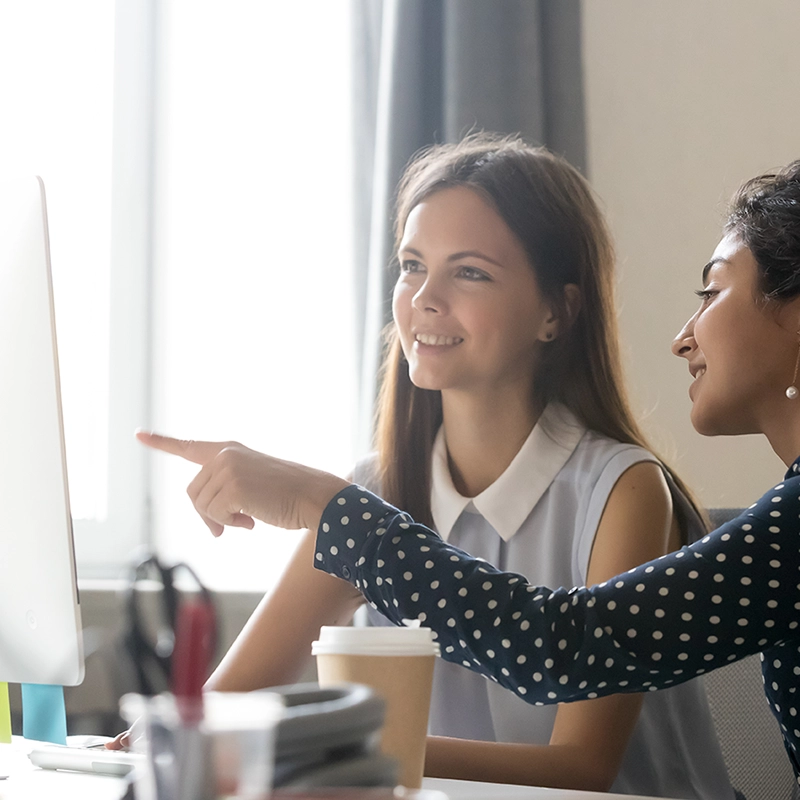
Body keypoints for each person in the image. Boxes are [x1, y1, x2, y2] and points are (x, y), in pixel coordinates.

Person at [129, 158, 800, 783]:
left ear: (555, 311)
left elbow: (564, 658)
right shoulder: (378, 490)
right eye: (410, 265)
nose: (423, 297)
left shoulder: (620, 489)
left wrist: (323, 747)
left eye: (469, 271)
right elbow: (215, 710)